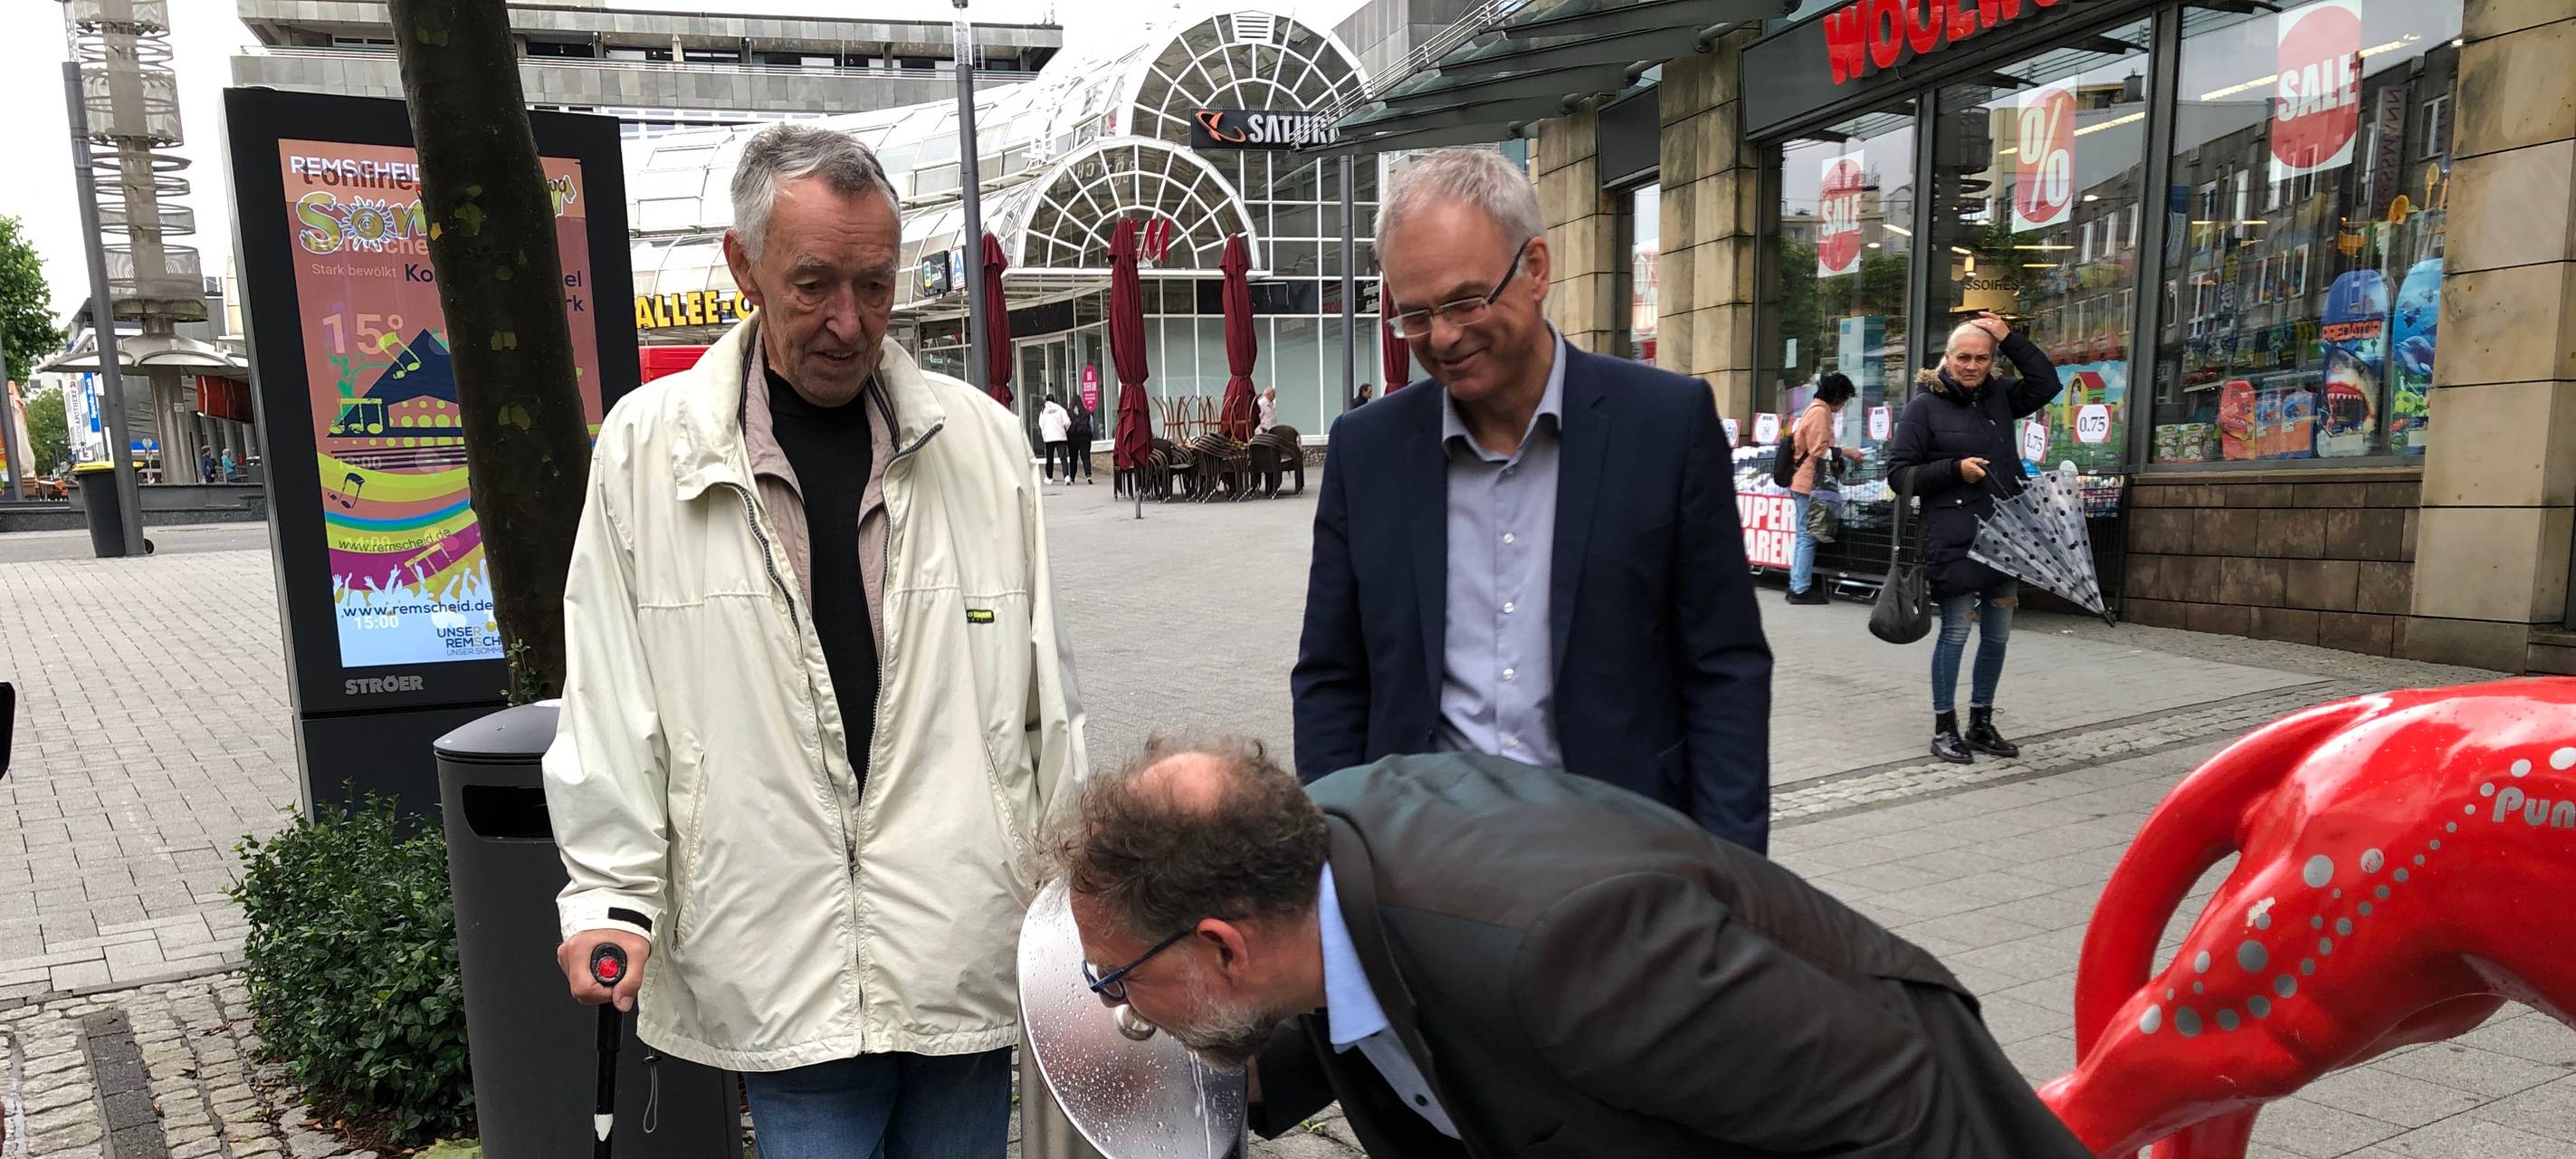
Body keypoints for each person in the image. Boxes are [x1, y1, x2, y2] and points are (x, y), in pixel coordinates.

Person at [544, 123, 1091, 1159]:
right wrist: (611, 894)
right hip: (778, 949)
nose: (850, 322)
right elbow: (612, 699)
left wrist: (1072, 906)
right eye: (813, 285)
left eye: (875, 285)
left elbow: (1044, 700)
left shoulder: (983, 441)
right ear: (741, 265)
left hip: (958, 933)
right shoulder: (644, 450)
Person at [1054, 739, 2095, 1159]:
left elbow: (1897, 1113)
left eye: (1121, 981)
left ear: (1223, 948)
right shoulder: (1301, 856)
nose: (1118, 1008)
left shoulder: (1562, 953)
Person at [1292, 147, 1774, 852]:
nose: (1444, 337)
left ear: (1537, 268)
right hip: (1419, 874)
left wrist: (1733, 878)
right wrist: (1339, 855)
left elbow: (1724, 666)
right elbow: (1331, 677)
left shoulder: (1666, 424)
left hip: (1625, 863)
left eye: (1464, 301)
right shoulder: (1367, 451)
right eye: (1415, 316)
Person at [1884, 311, 2063, 765]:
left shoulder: (2000, 397)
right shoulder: (1923, 407)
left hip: (2006, 534)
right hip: (1954, 537)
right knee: (1957, 634)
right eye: (1963, 357)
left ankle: (1981, 722)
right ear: (1946, 359)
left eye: (1982, 357)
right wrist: (1953, 470)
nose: (1972, 365)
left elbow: (2046, 384)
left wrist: (2010, 337)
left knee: (1999, 636)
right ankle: (1945, 727)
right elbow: (1898, 473)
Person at [1785, 373, 1865, 605]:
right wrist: (1847, 452)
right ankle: (1800, 588)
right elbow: (1820, 451)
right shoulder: (1820, 413)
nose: (1845, 405)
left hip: (1804, 482)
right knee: (1808, 536)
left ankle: (1796, 585)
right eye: (1845, 398)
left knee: (1803, 535)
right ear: (1837, 396)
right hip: (1810, 482)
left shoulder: (1814, 409)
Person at [1039, 394, 1072, 483]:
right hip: (1061, 436)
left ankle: (1049, 478)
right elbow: (1067, 422)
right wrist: (1064, 430)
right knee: (1063, 457)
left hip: (1049, 438)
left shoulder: (1044, 411)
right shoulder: (1061, 409)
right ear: (1054, 400)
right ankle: (1066, 477)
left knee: (1050, 458)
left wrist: (1045, 433)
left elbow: (1041, 424)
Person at [1064, 400, 1095, 484]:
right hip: (1085, 438)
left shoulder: (1069, 413)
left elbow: (1066, 424)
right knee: (1086, 457)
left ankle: (1072, 478)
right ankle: (1088, 475)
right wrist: (1090, 435)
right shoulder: (1087, 413)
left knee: (1073, 459)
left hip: (1073, 438)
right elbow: (1091, 425)